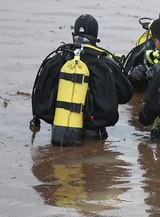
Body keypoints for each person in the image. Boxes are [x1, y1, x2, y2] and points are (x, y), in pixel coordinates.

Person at [31, 14, 132, 145]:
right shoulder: (105, 63)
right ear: (95, 37)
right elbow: (126, 94)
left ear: (74, 34)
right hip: (94, 135)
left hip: (61, 132)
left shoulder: (57, 60)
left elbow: (39, 96)